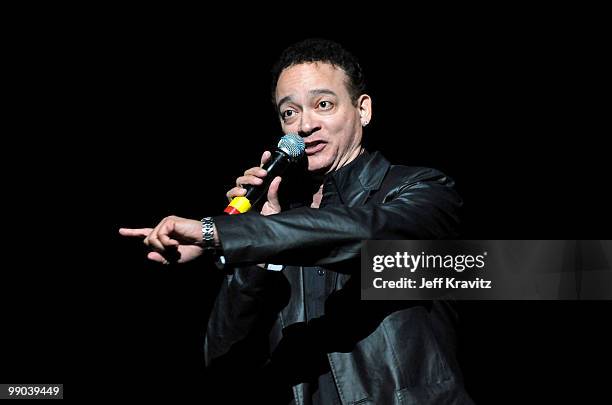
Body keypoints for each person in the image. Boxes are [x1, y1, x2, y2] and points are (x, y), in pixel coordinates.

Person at [120, 38, 473, 404]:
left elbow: (368, 232)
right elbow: (224, 362)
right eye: (289, 113)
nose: (304, 125)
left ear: (362, 109)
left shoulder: (422, 189)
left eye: (323, 104)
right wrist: (253, 257)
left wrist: (222, 232)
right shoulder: (276, 224)